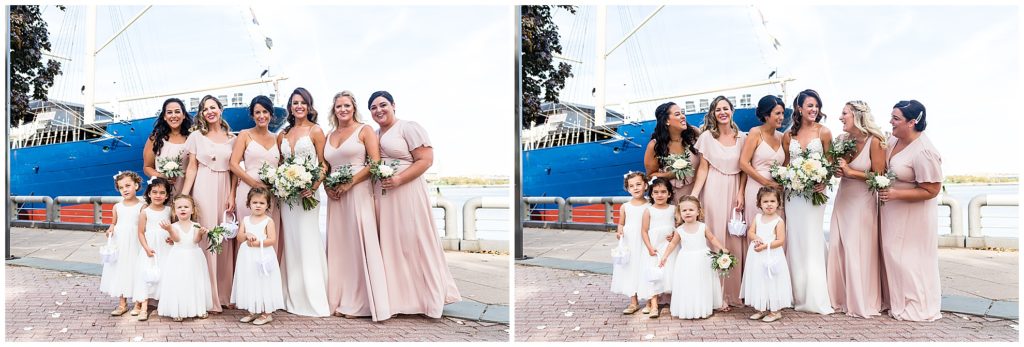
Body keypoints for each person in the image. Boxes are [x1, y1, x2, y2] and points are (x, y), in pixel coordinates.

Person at [370, 91, 461, 317]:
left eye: (383, 105)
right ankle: (398, 298)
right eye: (373, 107)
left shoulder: (408, 127)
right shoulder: (373, 133)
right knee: (389, 243)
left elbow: (426, 160)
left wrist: (399, 179)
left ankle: (426, 298)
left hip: (407, 191)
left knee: (413, 239)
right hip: (383, 195)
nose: (379, 110)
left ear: (393, 105)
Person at [323, 90, 391, 320]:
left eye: (347, 106)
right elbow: (325, 166)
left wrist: (350, 183)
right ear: (334, 110)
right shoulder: (329, 135)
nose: (343, 109)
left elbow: (375, 163)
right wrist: (327, 186)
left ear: (354, 108)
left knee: (359, 242)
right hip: (336, 197)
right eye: (339, 106)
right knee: (340, 246)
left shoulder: (365, 130)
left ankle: (361, 301)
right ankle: (339, 296)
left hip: (358, 191)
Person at [879, 99, 942, 322]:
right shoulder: (894, 139)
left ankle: (918, 305)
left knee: (911, 259)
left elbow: (932, 189)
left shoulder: (924, 151)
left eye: (896, 118)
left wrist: (896, 194)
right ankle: (898, 301)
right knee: (893, 254)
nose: (890, 122)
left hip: (914, 213)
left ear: (912, 122)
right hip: (892, 211)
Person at [827, 100, 887, 318]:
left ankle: (861, 300)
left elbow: (880, 178)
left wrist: (851, 173)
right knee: (837, 244)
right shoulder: (841, 139)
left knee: (857, 247)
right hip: (843, 198)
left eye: (844, 113)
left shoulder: (876, 141)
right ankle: (840, 299)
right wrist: (838, 171)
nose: (841, 117)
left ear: (857, 116)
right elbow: (837, 171)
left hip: (863, 201)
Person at [277, 87, 331, 317]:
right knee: (291, 243)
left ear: (309, 106)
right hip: (287, 197)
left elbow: (323, 164)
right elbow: (280, 164)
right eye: (294, 102)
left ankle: (313, 298)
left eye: (302, 102)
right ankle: (291, 296)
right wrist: (280, 182)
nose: (298, 106)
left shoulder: (317, 131)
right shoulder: (284, 133)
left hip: (309, 195)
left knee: (308, 241)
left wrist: (313, 186)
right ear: (290, 107)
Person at [689, 95, 747, 309]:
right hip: (713, 188)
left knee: (734, 239)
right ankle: (715, 295)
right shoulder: (706, 137)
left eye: (726, 108)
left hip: (734, 190)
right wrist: (695, 194)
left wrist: (741, 192)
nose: (722, 112)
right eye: (718, 109)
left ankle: (734, 293)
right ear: (713, 113)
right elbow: (703, 168)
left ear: (732, 111)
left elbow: (744, 169)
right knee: (714, 238)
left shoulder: (743, 137)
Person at [181, 95, 237, 312]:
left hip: (224, 188)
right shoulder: (196, 136)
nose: (209, 111)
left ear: (221, 109)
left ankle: (224, 294)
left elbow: (234, 171)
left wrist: (232, 195)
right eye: (205, 109)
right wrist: (184, 196)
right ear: (202, 114)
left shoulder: (232, 138)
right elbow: (192, 167)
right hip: (203, 186)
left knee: (224, 238)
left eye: (213, 107)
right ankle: (206, 295)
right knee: (205, 237)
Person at [781, 89, 834, 315]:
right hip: (792, 194)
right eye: (810, 106)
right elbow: (785, 164)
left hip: (814, 195)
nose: (814, 110)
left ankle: (816, 295)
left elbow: (830, 163)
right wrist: (787, 177)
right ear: (799, 108)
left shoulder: (824, 132)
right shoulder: (788, 135)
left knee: (812, 238)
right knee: (795, 239)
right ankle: (797, 294)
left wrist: (824, 180)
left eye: (817, 106)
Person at [230, 95, 285, 262]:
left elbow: (282, 165)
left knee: (269, 233)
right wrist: (251, 183)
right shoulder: (244, 135)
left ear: (271, 114)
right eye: (257, 112)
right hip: (247, 192)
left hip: (271, 195)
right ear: (252, 116)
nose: (262, 116)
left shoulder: (278, 138)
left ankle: (268, 277)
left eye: (265, 112)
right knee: (248, 234)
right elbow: (233, 164)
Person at [665, 195, 727, 319]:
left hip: (702, 258)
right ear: (680, 213)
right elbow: (672, 244)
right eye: (684, 210)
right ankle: (688, 307)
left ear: (698, 211)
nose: (687, 212)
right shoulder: (680, 230)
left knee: (702, 282)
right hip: (686, 260)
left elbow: (712, 238)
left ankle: (702, 306)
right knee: (688, 283)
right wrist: (664, 256)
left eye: (691, 210)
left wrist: (722, 248)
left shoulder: (702, 227)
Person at [231, 188, 285, 326]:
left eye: (262, 203)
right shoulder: (246, 220)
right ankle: (253, 310)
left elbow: (272, 240)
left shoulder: (268, 221)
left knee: (263, 282)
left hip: (262, 255)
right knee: (251, 280)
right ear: (249, 203)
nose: (258, 205)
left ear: (267, 205)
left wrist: (257, 243)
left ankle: (266, 313)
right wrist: (246, 235)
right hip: (247, 256)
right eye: (255, 202)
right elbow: (239, 237)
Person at [158, 195, 214, 322]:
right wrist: (169, 229)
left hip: (194, 256)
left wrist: (200, 233)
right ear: (174, 211)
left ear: (192, 210)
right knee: (180, 281)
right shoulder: (174, 226)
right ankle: (178, 309)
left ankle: (198, 308)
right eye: (179, 207)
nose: (183, 209)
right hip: (178, 256)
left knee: (194, 281)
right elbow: (176, 239)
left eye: (186, 207)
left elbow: (196, 241)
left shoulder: (196, 225)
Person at [741, 186, 793, 323]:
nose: (769, 204)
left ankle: (775, 311)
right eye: (765, 201)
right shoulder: (758, 217)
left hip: (771, 254)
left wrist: (765, 246)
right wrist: (756, 238)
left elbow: (780, 241)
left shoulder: (779, 221)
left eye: (772, 201)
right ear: (759, 203)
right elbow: (750, 232)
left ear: (778, 203)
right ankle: (761, 308)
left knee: (772, 280)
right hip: (757, 255)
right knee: (759, 279)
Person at [99, 171, 144, 316]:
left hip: (136, 242)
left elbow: (144, 225)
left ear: (136, 185)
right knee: (121, 269)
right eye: (121, 187)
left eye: (128, 185)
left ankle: (138, 303)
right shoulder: (117, 207)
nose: (124, 189)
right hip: (121, 242)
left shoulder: (143, 206)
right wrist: (110, 229)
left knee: (136, 269)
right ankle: (122, 303)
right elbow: (114, 223)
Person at [739, 95, 786, 227]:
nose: (781, 117)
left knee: (777, 230)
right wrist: (766, 182)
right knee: (758, 229)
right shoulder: (755, 133)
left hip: (777, 191)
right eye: (777, 113)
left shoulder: (782, 137)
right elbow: (743, 163)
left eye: (782, 113)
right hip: (756, 188)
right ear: (766, 115)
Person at [131, 177, 173, 321]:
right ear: (149, 194)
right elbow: (141, 232)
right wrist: (146, 248)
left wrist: (172, 238)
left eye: (162, 193)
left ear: (167, 195)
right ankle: (143, 305)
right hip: (151, 248)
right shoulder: (145, 212)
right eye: (154, 192)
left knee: (164, 272)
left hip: (165, 247)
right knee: (146, 274)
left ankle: (163, 301)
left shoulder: (169, 210)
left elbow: (174, 228)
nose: (158, 195)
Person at [636, 178, 678, 319]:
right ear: (651, 195)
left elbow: (679, 227)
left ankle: (673, 302)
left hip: (669, 247)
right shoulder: (649, 210)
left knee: (670, 271)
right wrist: (649, 247)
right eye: (656, 192)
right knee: (653, 274)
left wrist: (674, 234)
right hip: (654, 247)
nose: (660, 195)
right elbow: (644, 230)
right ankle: (653, 305)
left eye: (663, 192)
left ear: (669, 194)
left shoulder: (673, 210)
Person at [610, 171, 650, 314]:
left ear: (645, 185)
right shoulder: (625, 206)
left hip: (645, 241)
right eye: (631, 186)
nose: (636, 188)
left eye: (639, 184)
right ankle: (633, 302)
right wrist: (619, 231)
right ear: (627, 189)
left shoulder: (650, 205)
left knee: (645, 268)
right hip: (630, 241)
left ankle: (650, 301)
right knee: (630, 269)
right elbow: (621, 223)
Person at [644, 102, 701, 203]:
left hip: (700, 193)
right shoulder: (654, 145)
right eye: (677, 114)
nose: (683, 116)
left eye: (682, 113)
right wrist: (671, 174)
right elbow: (650, 176)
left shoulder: (694, 134)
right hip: (675, 199)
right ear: (666, 121)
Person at [142, 98, 192, 193]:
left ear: (184, 115)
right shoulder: (155, 138)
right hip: (164, 192)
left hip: (188, 191)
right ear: (164, 116)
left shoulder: (192, 137)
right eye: (169, 112)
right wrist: (162, 177)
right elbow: (147, 167)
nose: (173, 116)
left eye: (177, 112)